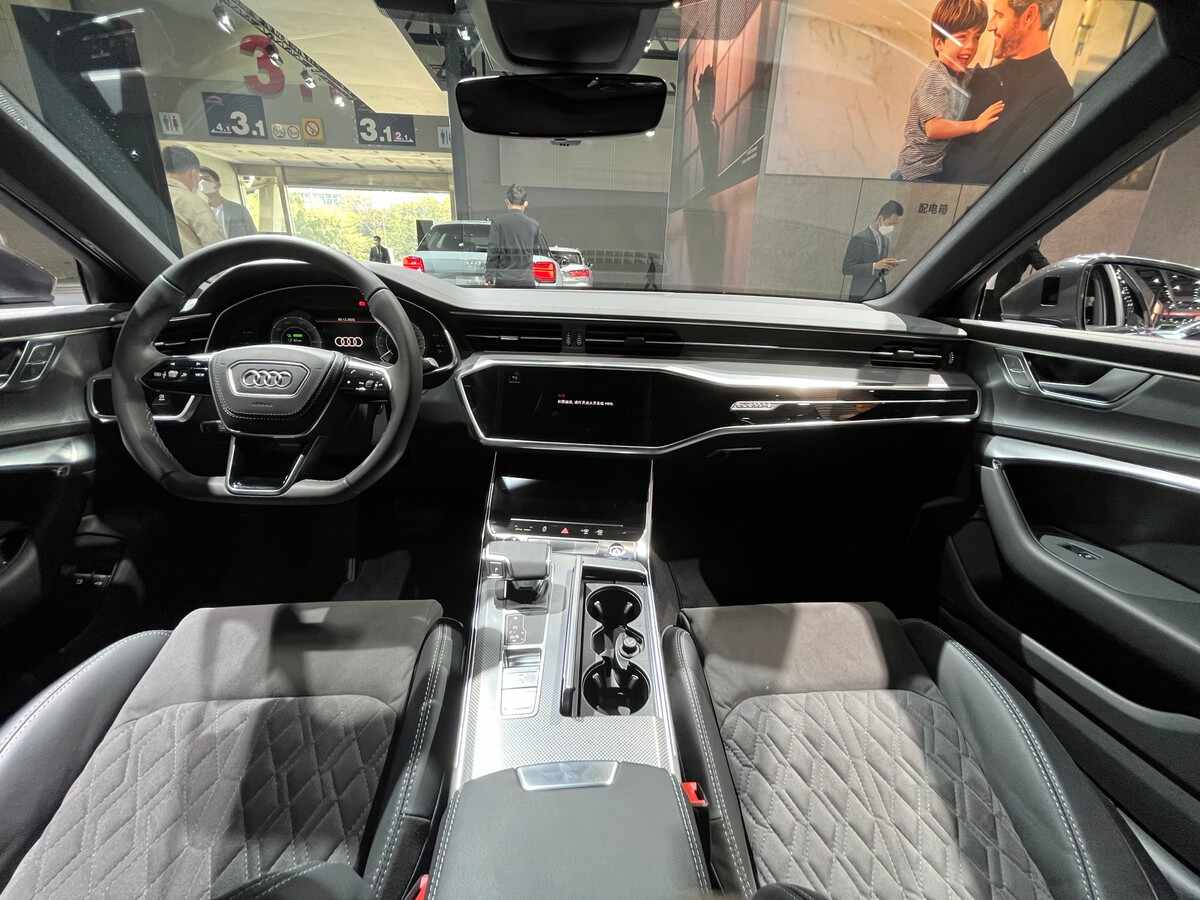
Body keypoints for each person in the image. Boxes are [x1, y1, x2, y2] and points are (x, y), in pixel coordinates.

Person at [940, 0, 1073, 184]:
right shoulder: (985, 75)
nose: (990, 26)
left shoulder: (1055, 93)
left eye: (1000, 15)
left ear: (1029, 16)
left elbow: (1006, 179)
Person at [896, 0, 1004, 181]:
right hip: (917, 173)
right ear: (939, 43)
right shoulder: (935, 75)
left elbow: (974, 74)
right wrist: (974, 125)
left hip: (931, 169)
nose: (971, 46)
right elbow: (933, 128)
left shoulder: (956, 74)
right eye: (961, 37)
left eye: (976, 37)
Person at [485, 185, 550, 288]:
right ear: (525, 204)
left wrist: (489, 276)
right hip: (527, 280)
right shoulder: (534, 225)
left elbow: (493, 251)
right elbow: (534, 249)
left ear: (507, 202)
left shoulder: (498, 223)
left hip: (504, 280)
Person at [163, 146, 223, 254]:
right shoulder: (193, 203)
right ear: (193, 173)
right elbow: (217, 247)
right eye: (199, 177)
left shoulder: (152, 195)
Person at [842, 201, 904, 301]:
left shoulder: (886, 240)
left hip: (880, 294)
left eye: (894, 225)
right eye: (890, 224)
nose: (892, 228)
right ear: (880, 218)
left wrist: (888, 266)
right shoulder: (860, 238)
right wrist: (874, 266)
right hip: (861, 294)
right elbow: (847, 268)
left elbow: (880, 270)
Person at [197, 168, 256, 239]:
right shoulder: (198, 213)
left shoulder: (239, 210)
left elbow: (253, 236)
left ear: (218, 185)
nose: (202, 182)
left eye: (206, 179)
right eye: (199, 180)